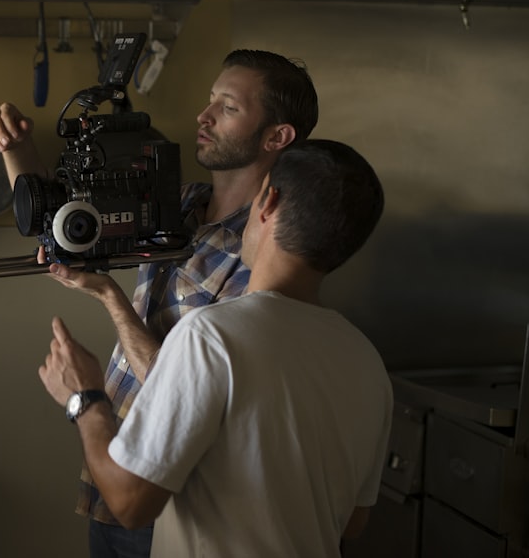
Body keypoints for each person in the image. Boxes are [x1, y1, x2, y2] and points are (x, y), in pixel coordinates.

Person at [0, 49, 319, 558]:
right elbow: (57, 220)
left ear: (277, 136)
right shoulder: (175, 202)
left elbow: (188, 386)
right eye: (211, 101)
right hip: (116, 462)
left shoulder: (268, 250)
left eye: (228, 107)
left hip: (173, 502)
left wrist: (109, 298)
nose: (204, 117)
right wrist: (15, 146)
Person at [38, 139, 391, 557]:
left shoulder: (210, 336)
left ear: (267, 202)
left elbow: (130, 503)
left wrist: (86, 398)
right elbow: (354, 521)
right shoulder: (367, 360)